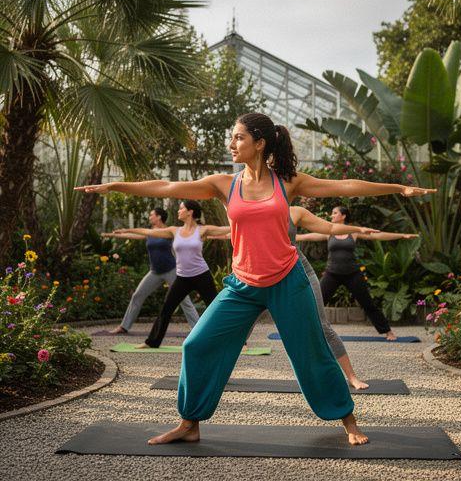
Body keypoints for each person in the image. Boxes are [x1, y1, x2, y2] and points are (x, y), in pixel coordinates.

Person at [76, 111, 434, 447]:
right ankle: (190, 424)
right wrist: (117, 187)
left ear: (259, 143)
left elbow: (346, 185)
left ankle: (348, 421)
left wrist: (398, 188)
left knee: (311, 353)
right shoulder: (224, 184)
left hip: (287, 281)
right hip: (243, 284)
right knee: (195, 345)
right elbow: (168, 186)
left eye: (238, 138)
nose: (231, 145)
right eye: (232, 138)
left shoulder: (289, 183)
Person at [210, 205, 382, 390]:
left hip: (300, 272)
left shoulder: (294, 211)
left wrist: (357, 229)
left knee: (322, 326)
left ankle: (352, 377)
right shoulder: (252, 209)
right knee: (244, 325)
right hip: (265, 276)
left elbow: (330, 227)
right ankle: (220, 374)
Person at [112, 200, 230, 348]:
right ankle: (152, 342)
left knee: (216, 308)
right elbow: (149, 232)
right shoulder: (174, 230)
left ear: (190, 212)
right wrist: (126, 231)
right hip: (182, 277)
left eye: (181, 208)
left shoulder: (202, 230)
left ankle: (238, 341)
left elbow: (227, 228)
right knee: (166, 309)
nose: (178, 211)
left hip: (201, 275)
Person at [297, 205, 419, 341]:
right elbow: (306, 236)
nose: (332, 215)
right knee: (316, 302)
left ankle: (387, 332)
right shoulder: (328, 232)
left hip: (352, 274)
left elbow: (378, 235)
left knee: (368, 304)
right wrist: (289, 235)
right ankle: (302, 331)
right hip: (332, 274)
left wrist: (401, 235)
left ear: (343, 216)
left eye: (335, 213)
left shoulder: (353, 232)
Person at [102, 208, 199, 335]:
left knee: (183, 299)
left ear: (159, 217)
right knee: (137, 295)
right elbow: (134, 235)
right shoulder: (150, 232)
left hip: (171, 270)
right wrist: (113, 235)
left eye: (152, 215)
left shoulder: (168, 231)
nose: (149, 217)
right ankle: (124, 327)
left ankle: (198, 328)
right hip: (155, 272)